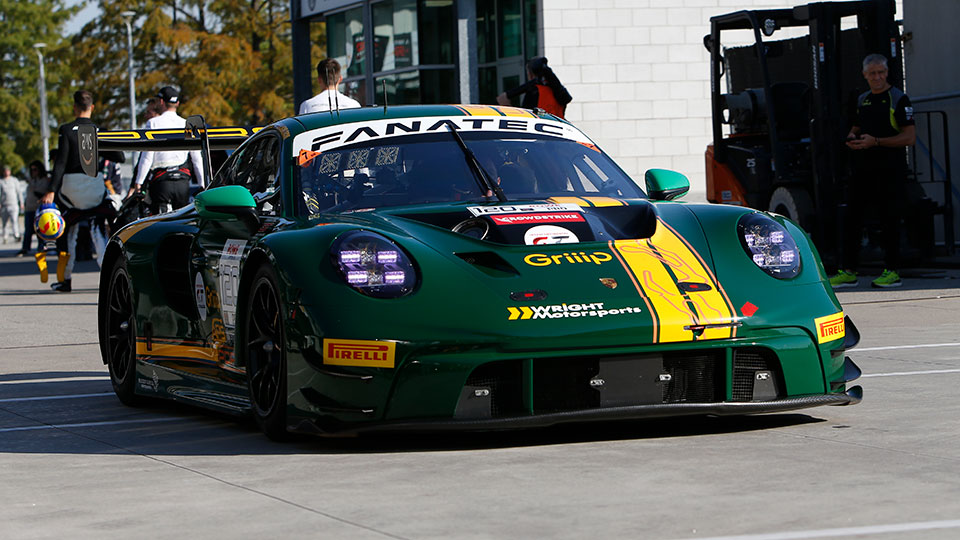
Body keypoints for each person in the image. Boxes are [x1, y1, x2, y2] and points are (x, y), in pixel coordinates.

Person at [830, 54, 916, 289]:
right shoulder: (862, 99)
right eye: (872, 73)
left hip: (890, 169)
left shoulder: (898, 98)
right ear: (865, 75)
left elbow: (909, 137)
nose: (877, 77)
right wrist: (852, 137)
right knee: (852, 218)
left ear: (887, 73)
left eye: (881, 72)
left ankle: (892, 271)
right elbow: (858, 125)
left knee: (889, 218)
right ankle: (848, 271)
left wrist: (875, 141)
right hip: (863, 168)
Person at [41, 90, 107, 292]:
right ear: (92, 107)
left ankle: (65, 279)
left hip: (71, 190)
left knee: (67, 232)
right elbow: (120, 157)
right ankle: (108, 278)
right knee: (99, 232)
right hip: (94, 187)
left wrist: (51, 190)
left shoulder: (67, 130)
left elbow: (60, 163)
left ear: (74, 107)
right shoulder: (99, 130)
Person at [127, 86, 205, 214]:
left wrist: (138, 182)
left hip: (162, 181)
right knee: (182, 220)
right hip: (183, 180)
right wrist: (203, 183)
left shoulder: (153, 123)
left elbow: (147, 156)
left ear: (161, 102)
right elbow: (197, 158)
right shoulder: (187, 123)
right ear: (177, 103)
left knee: (162, 221)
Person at [496, 57, 572, 119]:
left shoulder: (535, 92)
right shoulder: (558, 91)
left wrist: (507, 107)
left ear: (530, 74)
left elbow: (524, 116)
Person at [17, 160, 51, 256]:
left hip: (39, 208)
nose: (33, 172)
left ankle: (42, 247)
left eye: (35, 169)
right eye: (31, 170)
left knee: (40, 229)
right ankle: (25, 248)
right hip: (29, 208)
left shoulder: (45, 180)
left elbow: (42, 194)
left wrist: (33, 188)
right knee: (28, 230)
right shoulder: (31, 181)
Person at [0, 166, 24, 244]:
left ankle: (16, 235)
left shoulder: (14, 180)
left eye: (8, 171)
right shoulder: (1, 181)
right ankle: (5, 237)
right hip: (4, 205)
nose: (6, 172)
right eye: (5, 171)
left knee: (14, 221)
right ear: (3, 172)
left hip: (13, 204)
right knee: (4, 223)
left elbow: (19, 192)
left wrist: (21, 203)